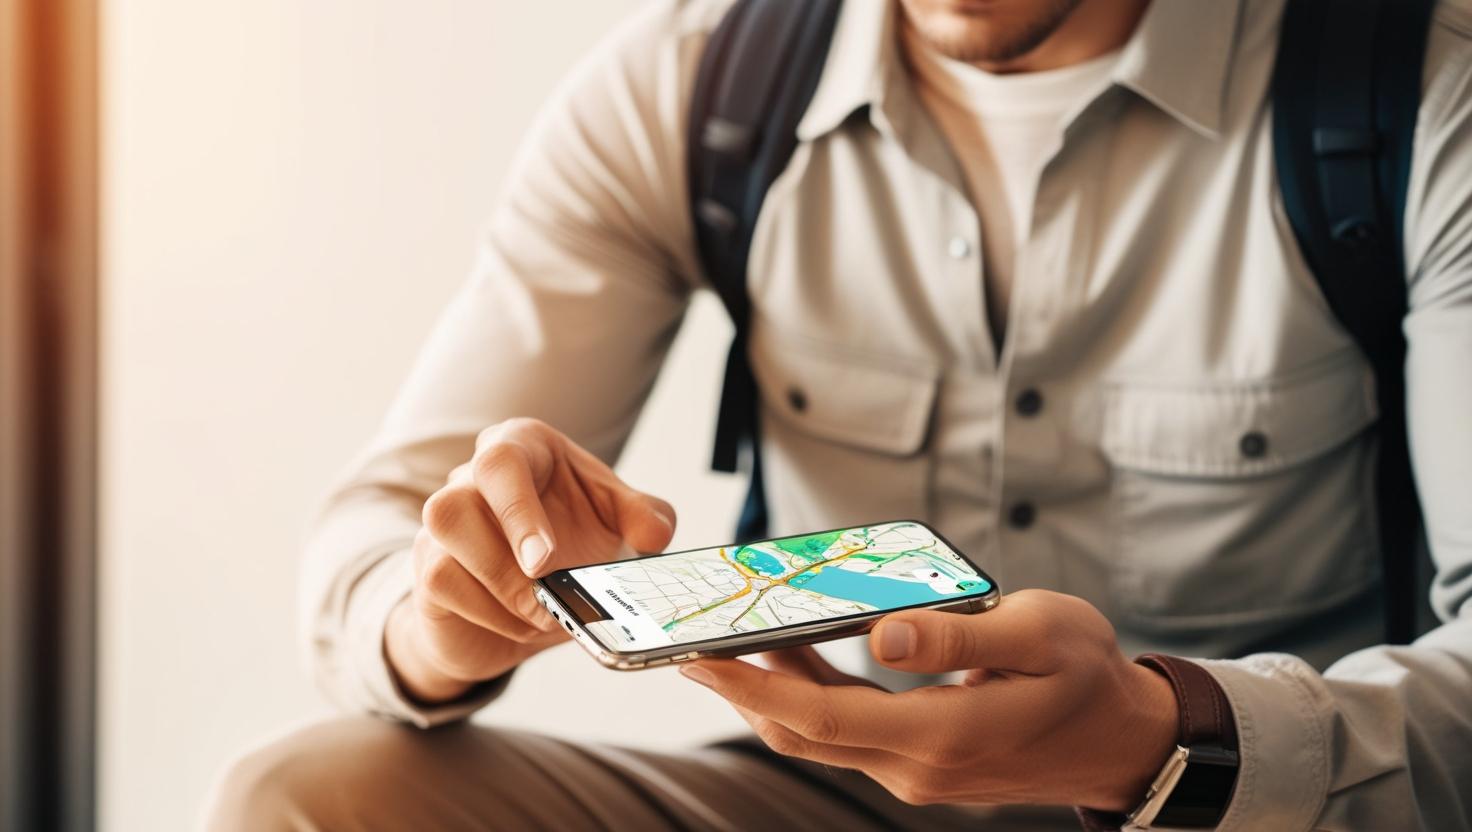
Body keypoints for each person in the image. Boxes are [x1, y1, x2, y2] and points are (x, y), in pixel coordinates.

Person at [206, 0, 1472, 829]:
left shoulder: (1418, 91)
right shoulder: (697, 90)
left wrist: (1159, 738)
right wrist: (445, 618)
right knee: (306, 798)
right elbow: (374, 539)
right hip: (831, 800)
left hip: (1259, 805)